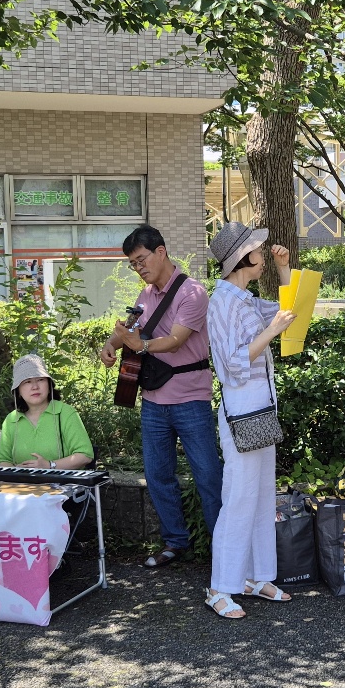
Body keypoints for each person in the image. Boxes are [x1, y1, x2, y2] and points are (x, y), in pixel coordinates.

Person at [99, 225, 223, 568]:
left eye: (141, 260)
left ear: (161, 252)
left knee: (208, 476)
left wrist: (140, 346)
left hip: (190, 398)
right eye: (133, 264)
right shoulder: (145, 296)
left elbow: (176, 340)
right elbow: (129, 330)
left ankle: (224, 549)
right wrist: (110, 345)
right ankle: (174, 542)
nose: (138, 268)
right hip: (153, 400)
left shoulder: (192, 292)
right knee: (157, 476)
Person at [203, 222, 298, 619]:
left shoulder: (243, 298)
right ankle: (219, 587)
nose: (262, 252)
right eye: (258, 249)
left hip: (259, 405)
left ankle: (256, 577)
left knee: (260, 494)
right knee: (240, 496)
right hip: (242, 406)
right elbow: (232, 364)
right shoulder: (222, 302)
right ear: (243, 258)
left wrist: (283, 269)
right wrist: (272, 331)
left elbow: (291, 311)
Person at [0, 354, 94, 470]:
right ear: (18, 390)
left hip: (63, 481)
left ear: (49, 385)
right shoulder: (11, 420)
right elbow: (2, 461)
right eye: (27, 382)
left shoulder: (65, 413)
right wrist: (16, 470)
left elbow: (85, 455)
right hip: (22, 481)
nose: (35, 387)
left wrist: (50, 465)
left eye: (40, 380)